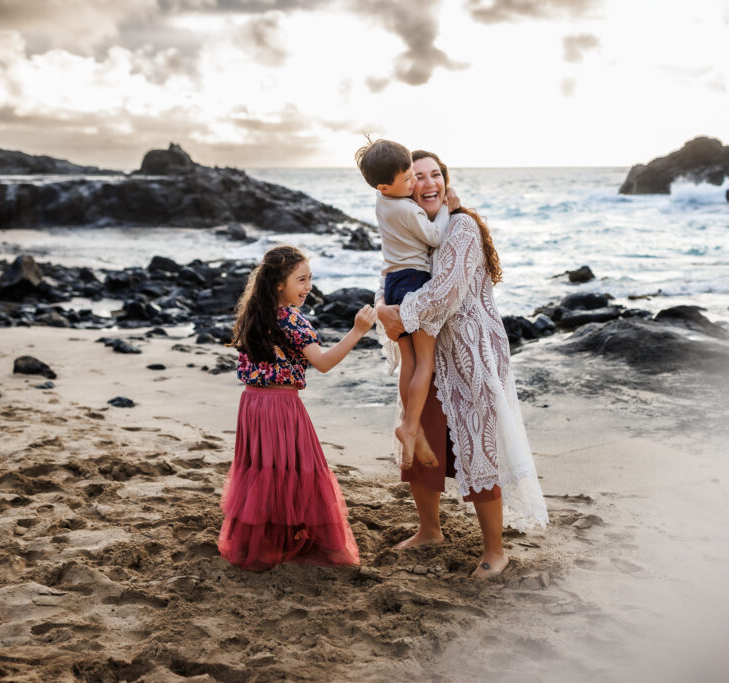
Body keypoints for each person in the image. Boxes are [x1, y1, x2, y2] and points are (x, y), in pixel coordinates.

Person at [377, 150, 549, 578]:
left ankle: (495, 551)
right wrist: (384, 305)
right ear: (405, 186)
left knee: (479, 445)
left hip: (472, 355)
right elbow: (390, 278)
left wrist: (399, 312)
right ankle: (430, 530)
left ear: (447, 182)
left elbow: (448, 290)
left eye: (437, 174)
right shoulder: (413, 228)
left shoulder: (462, 226)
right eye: (419, 176)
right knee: (422, 438)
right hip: (430, 356)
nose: (429, 182)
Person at [218, 245, 377, 571]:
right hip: (281, 407)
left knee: (263, 471)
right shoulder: (290, 319)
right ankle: (298, 544)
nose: (308, 287)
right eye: (301, 280)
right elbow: (323, 362)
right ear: (279, 283)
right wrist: (358, 331)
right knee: (297, 472)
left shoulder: (254, 313)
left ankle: (262, 543)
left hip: (252, 404)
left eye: (310, 279)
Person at [355, 138, 451, 471]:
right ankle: (411, 427)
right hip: (414, 280)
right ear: (385, 184)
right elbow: (436, 237)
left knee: (408, 361)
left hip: (394, 283)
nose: (413, 185)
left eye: (414, 175)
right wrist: (449, 206)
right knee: (426, 361)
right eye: (409, 179)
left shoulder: (382, 201)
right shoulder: (408, 209)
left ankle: (411, 426)